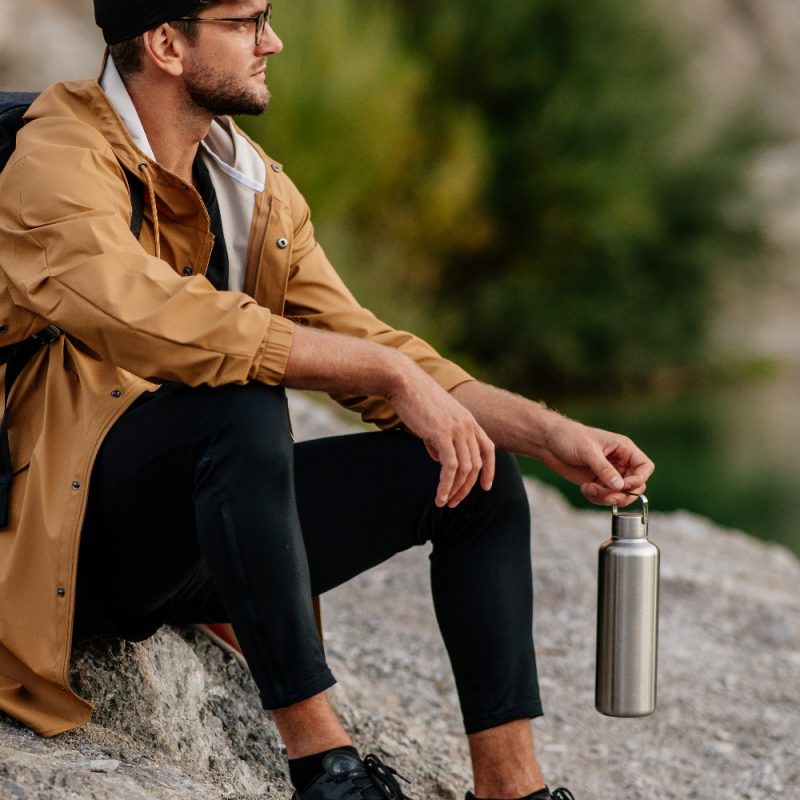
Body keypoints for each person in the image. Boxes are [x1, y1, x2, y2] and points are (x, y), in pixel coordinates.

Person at [0, 2, 654, 798]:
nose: (272, 41)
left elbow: (369, 343)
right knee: (238, 407)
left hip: (200, 534)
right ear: (167, 42)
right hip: (66, 543)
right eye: (246, 22)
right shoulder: (54, 158)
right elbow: (146, 319)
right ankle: (326, 769)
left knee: (472, 471)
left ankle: (510, 787)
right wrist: (384, 375)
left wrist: (548, 433)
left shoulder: (249, 187)